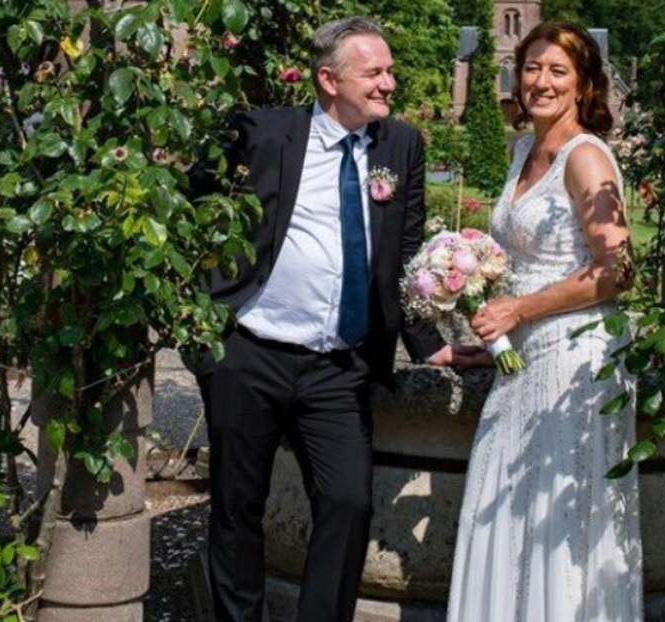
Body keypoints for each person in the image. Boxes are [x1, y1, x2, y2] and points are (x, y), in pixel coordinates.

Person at [190, 17, 487, 622]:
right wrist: (203, 309)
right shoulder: (262, 132)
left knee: (349, 503)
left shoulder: (400, 145)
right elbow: (194, 201)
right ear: (329, 80)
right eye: (374, 72)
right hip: (251, 352)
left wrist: (427, 341)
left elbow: (406, 253)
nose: (389, 84)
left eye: (390, 71)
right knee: (236, 509)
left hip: (338, 367)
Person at [446, 21, 642, 621]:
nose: (541, 81)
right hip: (522, 359)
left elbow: (619, 269)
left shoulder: (585, 157)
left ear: (584, 85)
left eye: (559, 71)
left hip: (575, 359)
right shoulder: (522, 151)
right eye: (532, 67)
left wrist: (519, 309)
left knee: (559, 519)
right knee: (508, 510)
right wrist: (484, 305)